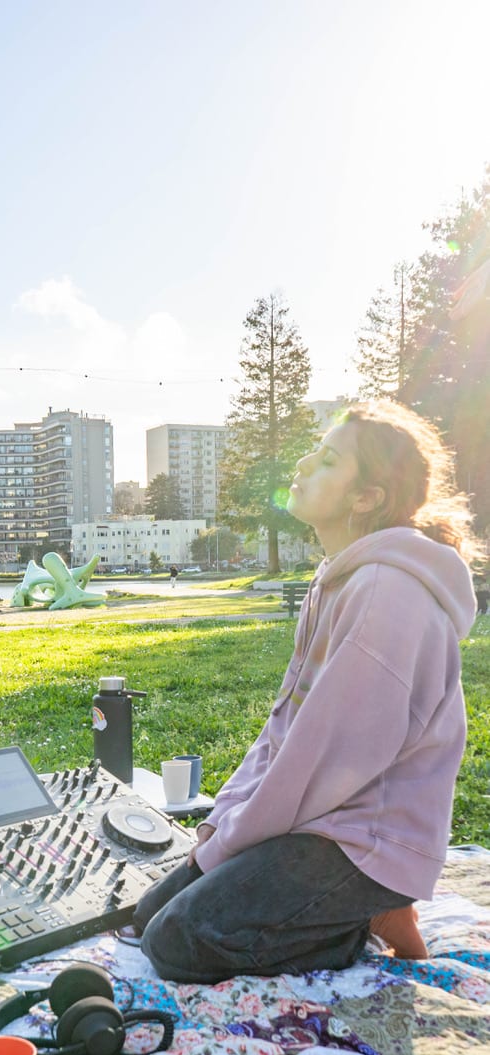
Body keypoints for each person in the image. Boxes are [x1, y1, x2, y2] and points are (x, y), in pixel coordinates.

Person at [132, 400, 478, 983]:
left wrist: (230, 844)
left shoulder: (385, 591)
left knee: (178, 943)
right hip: (324, 819)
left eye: (327, 460)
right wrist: (223, 822)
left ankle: (365, 916)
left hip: (368, 837)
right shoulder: (337, 577)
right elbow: (284, 728)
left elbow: (322, 763)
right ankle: (345, 910)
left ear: (365, 497)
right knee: (148, 916)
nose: (303, 462)